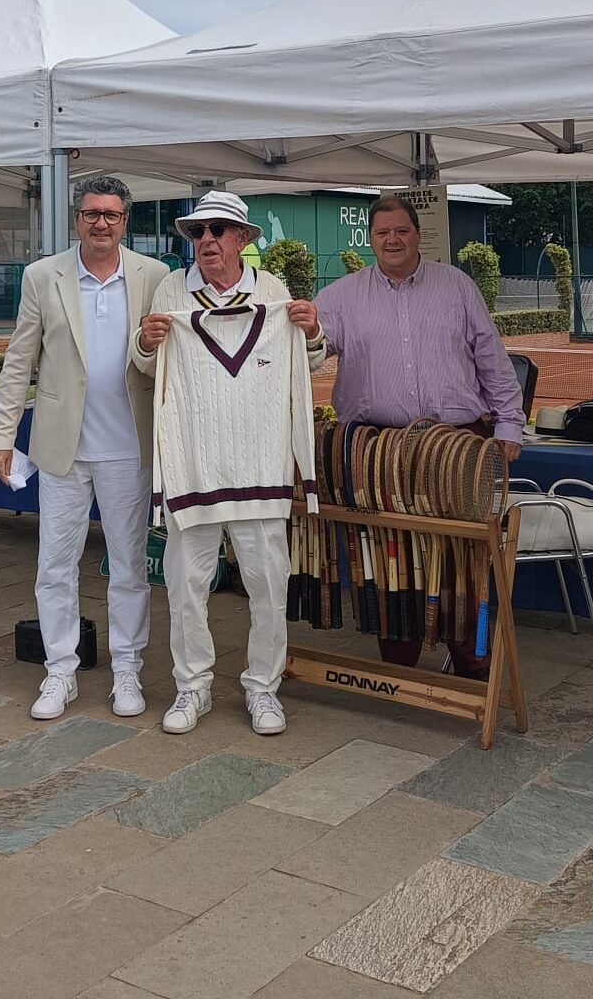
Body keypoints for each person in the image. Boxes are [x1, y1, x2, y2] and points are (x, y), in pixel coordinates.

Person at [294, 192, 525, 676]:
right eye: (382, 233)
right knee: (390, 555)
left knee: (465, 558)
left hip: (459, 446)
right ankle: (399, 667)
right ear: (370, 239)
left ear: (418, 235)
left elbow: (492, 359)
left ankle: (473, 662)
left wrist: (509, 424)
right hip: (379, 451)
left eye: (401, 230)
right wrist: (308, 332)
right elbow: (308, 352)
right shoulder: (340, 296)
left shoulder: (457, 286)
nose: (392, 240)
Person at [133, 190, 324, 737]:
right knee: (185, 585)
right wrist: (145, 342)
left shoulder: (273, 291)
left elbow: (307, 359)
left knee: (269, 584)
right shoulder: (171, 289)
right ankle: (192, 686)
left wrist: (311, 331)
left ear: (242, 238)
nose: (207, 241)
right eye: (198, 232)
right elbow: (148, 366)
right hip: (192, 462)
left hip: (259, 465)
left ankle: (263, 688)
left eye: (218, 230)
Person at [0, 175, 168, 722]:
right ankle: (60, 671)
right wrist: (1, 436)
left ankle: (128, 670)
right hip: (61, 448)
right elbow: (19, 361)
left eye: (111, 214)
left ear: (125, 221)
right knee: (54, 566)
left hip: (128, 448)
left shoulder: (154, 276)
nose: (101, 223)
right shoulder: (43, 276)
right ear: (77, 219)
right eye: (91, 213)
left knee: (130, 568)